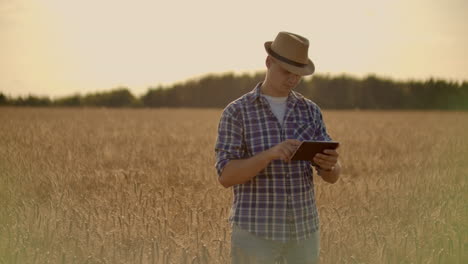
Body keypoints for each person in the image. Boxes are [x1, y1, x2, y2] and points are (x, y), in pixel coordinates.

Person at [214, 31, 341, 264]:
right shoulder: (237, 112)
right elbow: (226, 176)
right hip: (255, 235)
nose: (292, 79)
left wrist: (330, 166)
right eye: (286, 72)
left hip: (304, 234)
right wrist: (270, 155)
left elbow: (332, 176)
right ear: (268, 62)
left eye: (298, 74)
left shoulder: (310, 111)